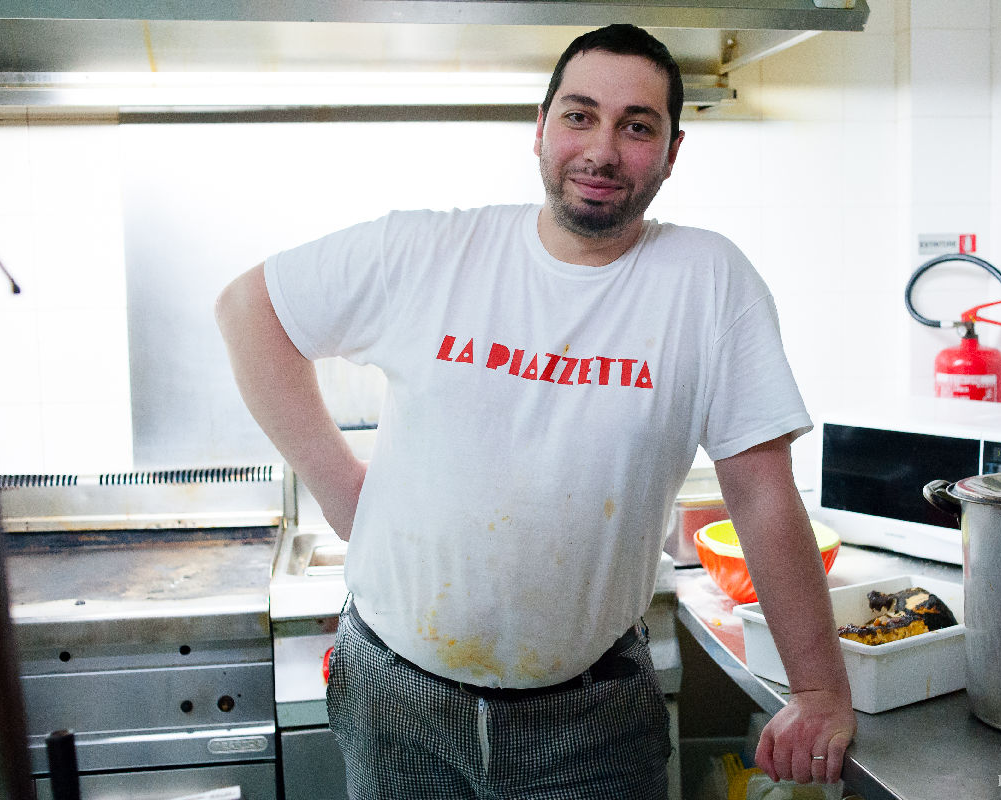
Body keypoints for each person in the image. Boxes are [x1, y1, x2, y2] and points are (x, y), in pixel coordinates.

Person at [216, 23, 855, 800]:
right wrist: (337, 484)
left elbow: (760, 490)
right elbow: (250, 308)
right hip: (394, 701)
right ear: (541, 129)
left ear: (673, 151)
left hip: (590, 721)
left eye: (637, 126)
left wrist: (819, 690)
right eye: (580, 116)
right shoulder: (429, 252)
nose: (602, 149)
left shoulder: (708, 281)